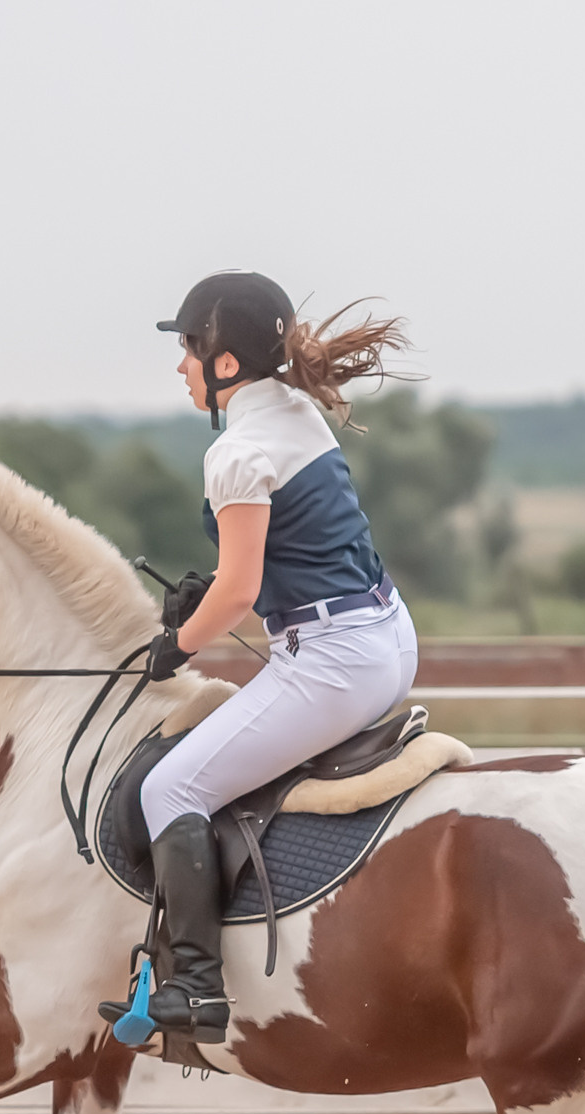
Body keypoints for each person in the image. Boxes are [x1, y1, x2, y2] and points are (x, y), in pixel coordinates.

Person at [115, 271, 422, 1044]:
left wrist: (174, 644)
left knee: (170, 787)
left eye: (187, 350)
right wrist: (207, 589)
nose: (179, 365)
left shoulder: (235, 452)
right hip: (384, 632)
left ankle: (197, 987)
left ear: (224, 365)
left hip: (331, 663)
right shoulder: (294, 411)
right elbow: (286, 548)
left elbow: (241, 591)